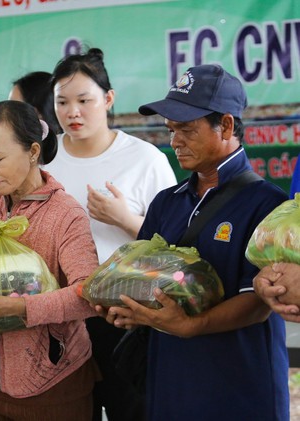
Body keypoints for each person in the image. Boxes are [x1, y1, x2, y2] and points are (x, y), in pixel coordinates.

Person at [101, 64, 289, 420]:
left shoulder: (267, 204)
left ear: (227, 126)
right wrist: (128, 308)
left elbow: (259, 301)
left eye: (187, 129)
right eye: (171, 130)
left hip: (240, 387)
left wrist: (192, 325)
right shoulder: (166, 202)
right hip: (170, 382)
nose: (175, 141)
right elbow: (142, 277)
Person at [42, 48, 176, 421]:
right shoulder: (44, 159)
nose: (73, 112)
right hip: (61, 318)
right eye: (62, 102)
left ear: (108, 99)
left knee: (131, 410)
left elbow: (176, 248)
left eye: (84, 100)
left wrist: (127, 220)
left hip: (126, 316)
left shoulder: (145, 159)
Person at [0, 100, 100, 419]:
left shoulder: (66, 214)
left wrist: (14, 309)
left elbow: (88, 295)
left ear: (33, 152)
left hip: (51, 382)